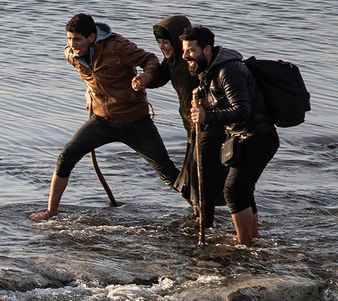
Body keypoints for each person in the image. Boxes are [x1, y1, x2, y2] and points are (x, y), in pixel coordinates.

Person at [29, 13, 180, 221]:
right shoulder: (71, 55)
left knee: (169, 174)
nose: (72, 44)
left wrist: (145, 76)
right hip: (101, 120)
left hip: (135, 120)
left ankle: (203, 213)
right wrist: (90, 96)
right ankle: (51, 211)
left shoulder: (118, 47)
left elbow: (149, 58)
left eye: (77, 39)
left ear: (91, 37)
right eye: (69, 39)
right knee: (66, 156)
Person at [181, 26, 279, 245]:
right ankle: (252, 242)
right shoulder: (209, 70)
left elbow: (242, 110)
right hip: (244, 138)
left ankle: (245, 246)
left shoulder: (228, 70)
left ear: (207, 50)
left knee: (234, 191)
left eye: (190, 50)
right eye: (184, 50)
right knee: (242, 190)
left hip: (257, 137)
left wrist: (207, 116)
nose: (185, 55)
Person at [139, 15, 226, 227]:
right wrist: (143, 78)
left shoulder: (194, 63)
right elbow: (159, 78)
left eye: (167, 42)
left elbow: (214, 85)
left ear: (179, 41)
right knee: (192, 180)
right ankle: (202, 217)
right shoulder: (174, 61)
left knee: (201, 178)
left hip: (206, 126)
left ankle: (206, 222)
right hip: (191, 127)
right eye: (159, 43)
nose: (163, 47)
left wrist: (207, 103)